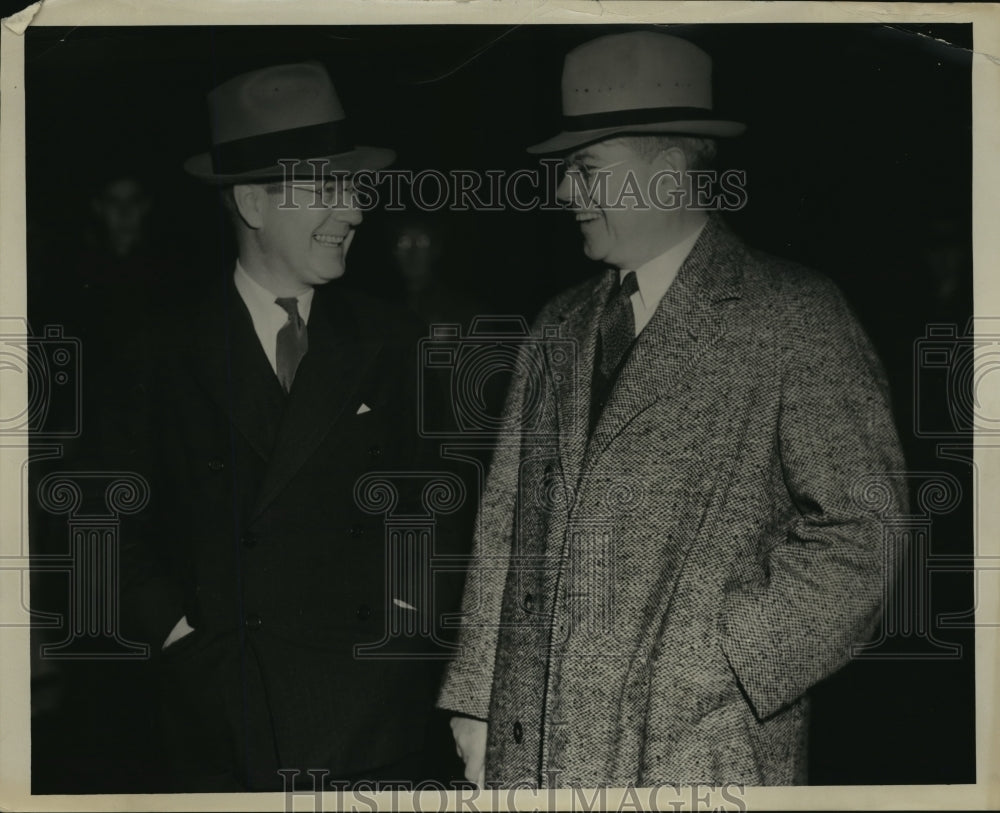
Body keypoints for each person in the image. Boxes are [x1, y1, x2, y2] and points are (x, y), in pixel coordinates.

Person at [438, 31, 907, 787]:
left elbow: (868, 533)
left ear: (665, 173)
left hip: (697, 753)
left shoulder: (793, 314)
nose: (565, 194)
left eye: (586, 170)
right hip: (535, 757)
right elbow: (504, 531)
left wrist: (716, 659)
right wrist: (476, 704)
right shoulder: (555, 327)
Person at [114, 61, 467, 791]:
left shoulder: (394, 339)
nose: (355, 210)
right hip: (219, 724)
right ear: (251, 202)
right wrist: (177, 633)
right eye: (326, 189)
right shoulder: (159, 350)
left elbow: (445, 505)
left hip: (373, 725)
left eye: (354, 187)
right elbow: (105, 517)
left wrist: (403, 626)